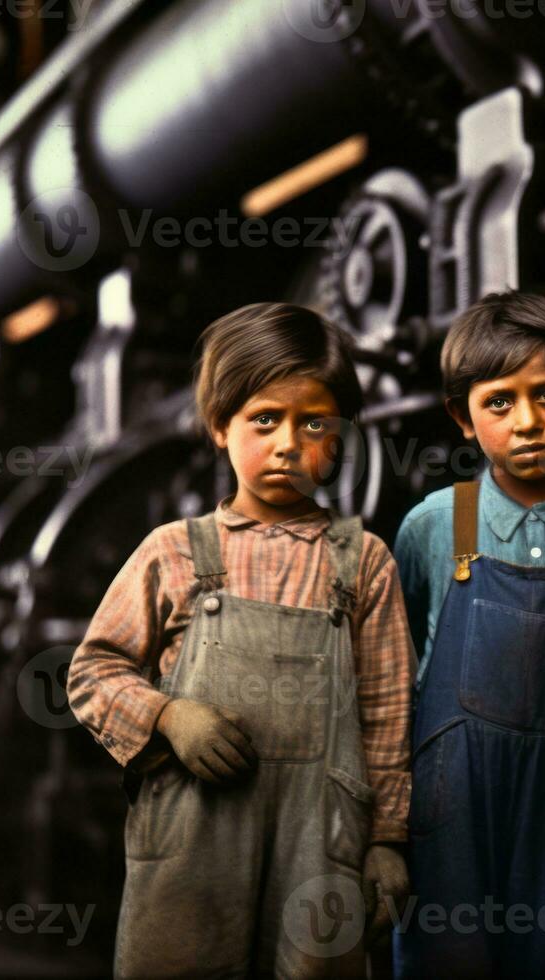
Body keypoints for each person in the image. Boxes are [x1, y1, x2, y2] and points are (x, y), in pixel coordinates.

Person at [67, 302, 415, 977]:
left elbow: (387, 718)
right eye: (265, 420)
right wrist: (168, 716)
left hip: (322, 842)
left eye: (313, 423)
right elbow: (91, 672)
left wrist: (389, 841)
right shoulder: (173, 552)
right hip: (193, 840)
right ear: (219, 427)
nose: (289, 442)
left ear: (341, 437)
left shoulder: (363, 560)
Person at [393, 291, 545, 978]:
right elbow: (400, 662)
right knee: (449, 952)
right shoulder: (433, 524)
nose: (527, 422)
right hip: (453, 796)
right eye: (498, 402)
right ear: (460, 418)